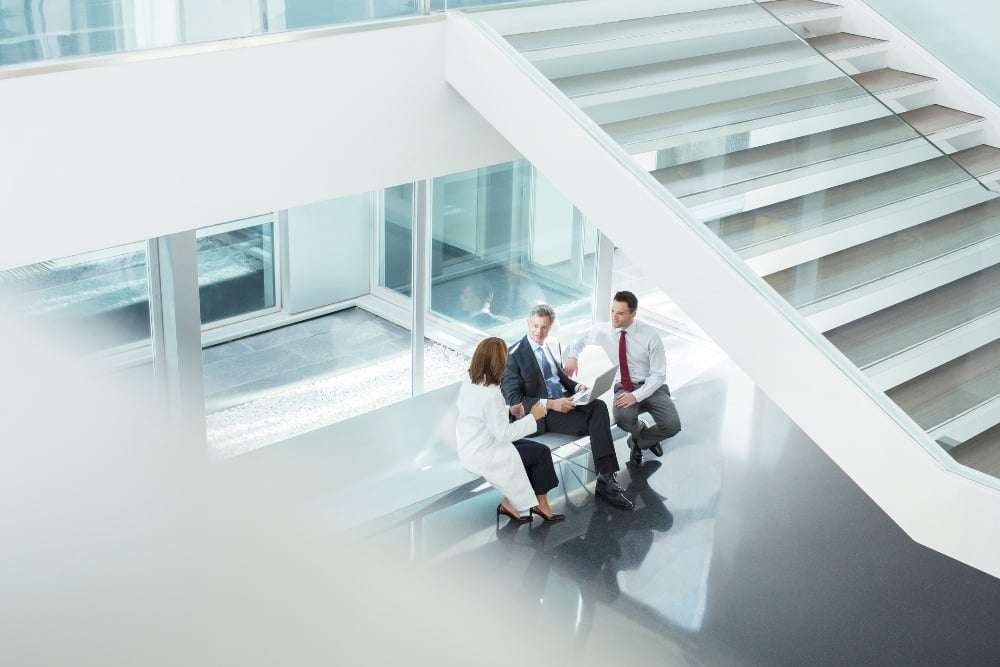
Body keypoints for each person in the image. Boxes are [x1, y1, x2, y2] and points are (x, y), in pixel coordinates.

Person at [501, 304, 633, 510]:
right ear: (528, 324)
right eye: (535, 326)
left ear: (550, 327)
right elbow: (514, 400)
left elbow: (559, 377)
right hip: (540, 414)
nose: (539, 332)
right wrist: (552, 403)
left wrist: (577, 386)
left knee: (598, 406)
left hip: (564, 401)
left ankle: (606, 477)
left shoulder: (549, 345)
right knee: (595, 419)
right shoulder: (513, 355)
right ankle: (606, 481)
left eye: (544, 327)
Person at [456, 337, 565, 525]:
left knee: (532, 451)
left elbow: (482, 415)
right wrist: (534, 416)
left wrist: (508, 410)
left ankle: (510, 503)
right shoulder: (491, 394)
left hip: (472, 446)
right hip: (485, 452)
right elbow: (504, 434)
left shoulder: (471, 381)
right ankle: (540, 503)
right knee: (541, 453)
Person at [564, 291, 681, 466]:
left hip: (651, 386)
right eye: (612, 311)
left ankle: (637, 442)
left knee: (672, 425)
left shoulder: (650, 336)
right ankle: (641, 429)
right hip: (624, 385)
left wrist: (635, 396)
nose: (614, 317)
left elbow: (658, 375)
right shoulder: (605, 330)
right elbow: (580, 339)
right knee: (622, 419)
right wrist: (573, 357)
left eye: (620, 313)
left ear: (633, 313)